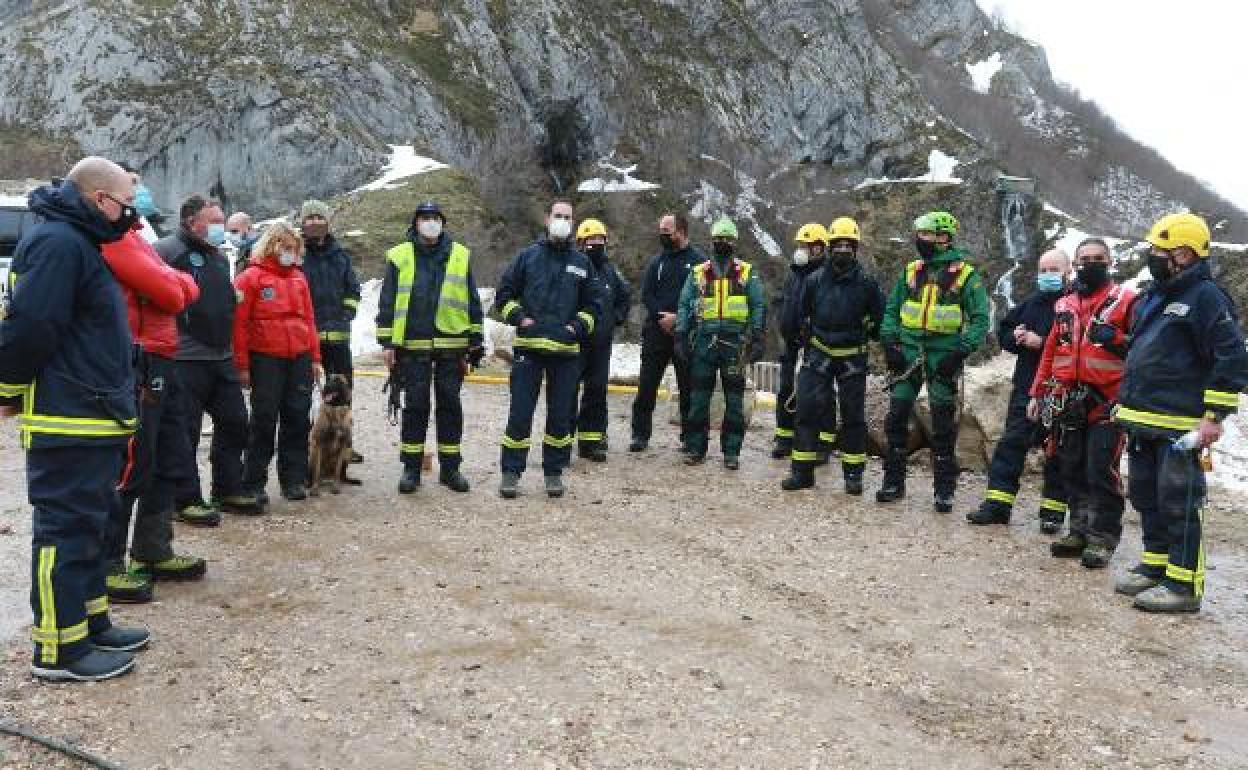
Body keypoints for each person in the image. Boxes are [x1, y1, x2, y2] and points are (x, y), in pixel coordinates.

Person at [0, 157, 149, 681]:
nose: (131, 216)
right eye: (126, 205)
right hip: (69, 418)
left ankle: (89, 626)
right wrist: (6, 386)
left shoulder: (79, 242)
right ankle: (58, 651)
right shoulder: (60, 244)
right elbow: (32, 326)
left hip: (93, 414)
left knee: (88, 528)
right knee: (63, 532)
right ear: (98, 199)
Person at [1113, 213, 1248, 612]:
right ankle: (1155, 567)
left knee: (1179, 502)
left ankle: (1183, 585)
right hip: (1144, 420)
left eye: (1160, 250)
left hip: (1180, 425)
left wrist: (1213, 416)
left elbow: (1232, 357)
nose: (1153, 256)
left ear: (1184, 254)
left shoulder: (1206, 297)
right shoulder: (1157, 294)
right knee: (1146, 497)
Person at [101, 194, 207, 605]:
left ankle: (153, 548)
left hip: (163, 357)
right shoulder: (116, 240)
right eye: (127, 195)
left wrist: (174, 282)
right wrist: (175, 282)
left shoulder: (136, 238)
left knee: (170, 456)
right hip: (139, 358)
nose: (135, 204)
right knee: (134, 463)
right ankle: (109, 564)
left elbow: (174, 283)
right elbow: (172, 290)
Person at [1027, 239, 1136, 568]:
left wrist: (1115, 339)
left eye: (1098, 259)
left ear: (1109, 261)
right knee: (1070, 466)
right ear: (1074, 265)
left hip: (1108, 401)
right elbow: (1050, 351)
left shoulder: (1126, 301)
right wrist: (1038, 392)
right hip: (1066, 400)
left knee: (1101, 468)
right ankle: (1079, 528)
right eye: (1085, 259)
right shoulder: (1064, 305)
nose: (1091, 264)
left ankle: (1103, 537)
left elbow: (1144, 347)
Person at [876, 211, 990, 511]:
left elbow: (980, 319)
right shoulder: (912, 270)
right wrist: (890, 343)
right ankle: (893, 482)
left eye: (925, 234)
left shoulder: (965, 275)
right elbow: (891, 309)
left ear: (943, 237)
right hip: (909, 352)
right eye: (919, 234)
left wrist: (959, 352)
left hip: (943, 355)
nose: (919, 240)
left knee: (942, 425)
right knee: (896, 416)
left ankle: (944, 490)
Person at [156, 196, 260, 515]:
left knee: (236, 423)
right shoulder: (167, 251)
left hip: (220, 356)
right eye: (214, 220)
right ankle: (184, 499)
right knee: (184, 431)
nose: (220, 225)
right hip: (184, 358)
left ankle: (227, 489)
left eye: (221, 219)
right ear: (192, 222)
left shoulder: (217, 256)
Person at [496, 200, 603, 498]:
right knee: (520, 414)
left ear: (573, 222)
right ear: (547, 219)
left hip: (566, 354)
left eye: (567, 217)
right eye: (558, 216)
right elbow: (503, 295)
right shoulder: (527, 257)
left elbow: (594, 307)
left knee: (559, 417)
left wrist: (576, 328)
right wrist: (520, 318)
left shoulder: (582, 264)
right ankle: (511, 473)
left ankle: (553, 472)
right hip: (528, 350)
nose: (562, 220)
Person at [376, 201, 484, 493]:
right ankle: (411, 469)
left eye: (435, 218)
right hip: (413, 345)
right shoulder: (400, 256)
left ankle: (451, 469)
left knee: (450, 406)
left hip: (452, 345)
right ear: (416, 223)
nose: (430, 223)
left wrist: (476, 341)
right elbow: (387, 303)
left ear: (442, 223)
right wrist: (387, 342)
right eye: (425, 218)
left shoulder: (460, 255)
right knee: (416, 407)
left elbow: (472, 301)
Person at [966, 248, 1070, 530]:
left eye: (1054, 270)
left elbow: (1082, 344)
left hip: (1062, 390)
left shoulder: (1074, 304)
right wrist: (1015, 337)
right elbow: (1004, 333)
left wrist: (1043, 341)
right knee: (1011, 444)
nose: (1048, 276)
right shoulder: (1030, 304)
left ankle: (1053, 513)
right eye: (1044, 270)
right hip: (1026, 386)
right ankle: (998, 505)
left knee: (1057, 450)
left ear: (1067, 271)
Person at [780, 217, 884, 493]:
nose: (842, 250)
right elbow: (801, 312)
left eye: (847, 245)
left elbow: (879, 320)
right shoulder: (814, 280)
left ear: (856, 247)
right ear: (829, 247)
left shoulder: (867, 284)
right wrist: (800, 335)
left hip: (852, 358)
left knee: (853, 417)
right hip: (819, 354)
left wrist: (876, 336)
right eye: (837, 245)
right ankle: (802, 472)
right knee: (806, 412)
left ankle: (853, 475)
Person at [233, 221, 323, 502]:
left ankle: (293, 480)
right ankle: (253, 482)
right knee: (263, 420)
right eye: (286, 248)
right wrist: (243, 366)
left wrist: (315, 358)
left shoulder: (299, 278)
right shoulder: (250, 278)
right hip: (266, 359)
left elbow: (309, 320)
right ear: (271, 246)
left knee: (298, 418)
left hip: (299, 357)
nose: (291, 253)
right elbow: (239, 326)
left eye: (294, 249)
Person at [675, 217, 766, 469]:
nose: (723, 243)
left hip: (734, 344)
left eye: (727, 239)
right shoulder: (699, 272)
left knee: (735, 402)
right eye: (719, 239)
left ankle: (731, 452)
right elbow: (684, 305)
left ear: (734, 242)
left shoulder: (747, 272)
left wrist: (758, 336)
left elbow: (758, 305)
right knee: (698, 401)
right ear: (712, 241)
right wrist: (681, 335)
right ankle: (695, 448)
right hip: (704, 342)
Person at [629, 213, 702, 452]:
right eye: (661, 230)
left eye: (666, 231)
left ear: (680, 232)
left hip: (686, 334)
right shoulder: (656, 262)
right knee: (647, 387)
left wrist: (679, 319)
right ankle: (640, 435)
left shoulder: (700, 262)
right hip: (656, 332)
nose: (662, 235)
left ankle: (690, 438)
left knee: (688, 389)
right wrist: (661, 317)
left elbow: (704, 298)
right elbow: (647, 294)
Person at [299, 199, 363, 467]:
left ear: (327, 222)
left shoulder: (340, 256)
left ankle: (343, 444)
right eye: (309, 217)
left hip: (338, 340)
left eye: (319, 217)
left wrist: (346, 313)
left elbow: (353, 290)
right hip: (305, 340)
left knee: (343, 395)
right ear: (302, 223)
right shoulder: (297, 254)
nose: (314, 221)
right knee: (301, 394)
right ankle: (305, 445)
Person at [771, 223, 835, 462]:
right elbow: (786, 303)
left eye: (806, 246)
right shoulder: (794, 274)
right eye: (800, 245)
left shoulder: (826, 276)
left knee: (821, 395)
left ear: (819, 248)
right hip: (792, 342)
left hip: (816, 344)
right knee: (786, 389)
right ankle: (784, 438)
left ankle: (823, 443)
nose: (801, 250)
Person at [574, 217, 631, 462]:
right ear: (581, 242)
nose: (596, 243)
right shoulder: (574, 267)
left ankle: (592, 441)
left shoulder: (611, 271)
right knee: (566, 393)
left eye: (600, 239)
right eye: (591, 239)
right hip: (575, 341)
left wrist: (616, 318)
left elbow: (625, 295)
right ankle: (561, 442)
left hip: (601, 342)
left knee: (596, 392)